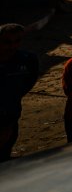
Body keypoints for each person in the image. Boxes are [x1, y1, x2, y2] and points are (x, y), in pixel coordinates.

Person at [0, 24, 39, 161]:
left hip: (10, 116)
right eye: (7, 42)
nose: (12, 46)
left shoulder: (27, 60)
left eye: (17, 41)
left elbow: (28, 82)